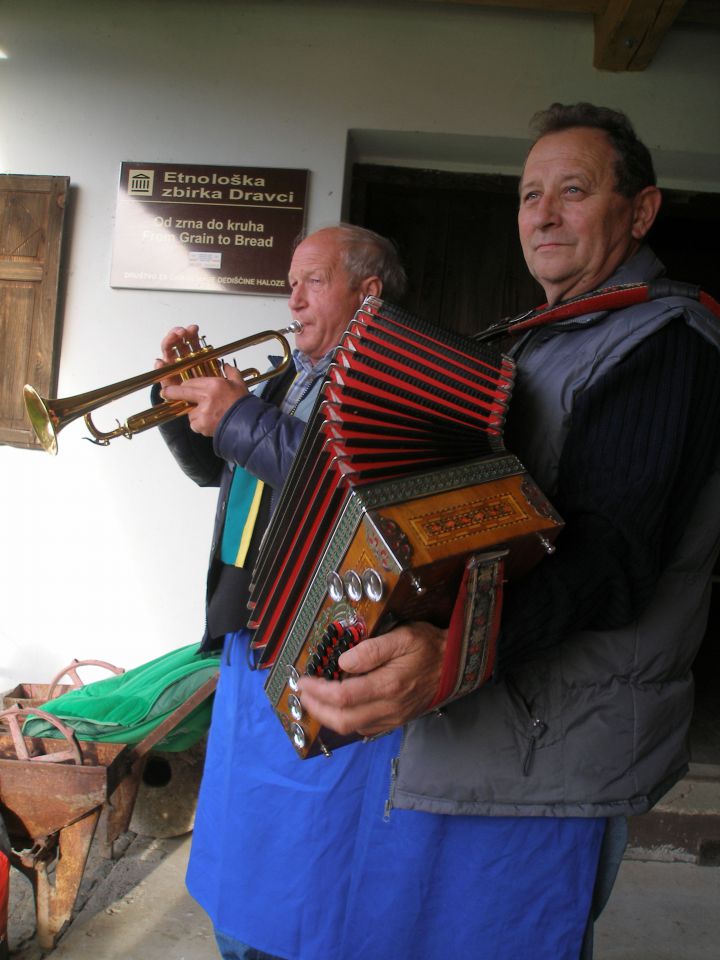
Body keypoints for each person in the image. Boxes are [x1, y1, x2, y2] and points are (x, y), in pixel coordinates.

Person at [295, 104, 720, 960]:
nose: (544, 213)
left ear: (639, 212)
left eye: (574, 190)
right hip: (481, 734)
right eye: (531, 195)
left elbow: (616, 559)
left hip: (549, 752)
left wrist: (450, 651)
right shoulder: (526, 344)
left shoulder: (668, 340)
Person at [154, 224, 409, 959]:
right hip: (248, 636)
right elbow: (223, 473)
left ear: (369, 293)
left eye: (313, 281)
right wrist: (182, 404)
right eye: (290, 281)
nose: (292, 298)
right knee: (241, 824)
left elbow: (351, 490)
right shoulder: (283, 377)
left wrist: (240, 417)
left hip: (319, 639)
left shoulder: (386, 383)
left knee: (305, 839)